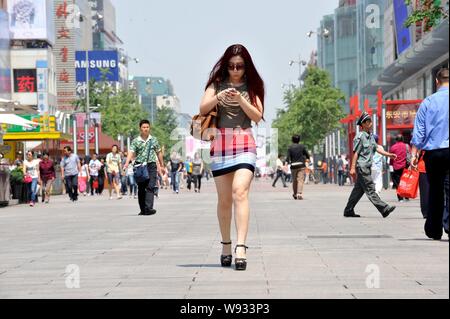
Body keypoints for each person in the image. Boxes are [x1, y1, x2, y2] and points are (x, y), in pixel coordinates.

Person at [199, 44, 264, 271]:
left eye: (240, 66)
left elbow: (257, 115)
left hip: (245, 143)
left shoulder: (253, 86)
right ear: (225, 66)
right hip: (221, 145)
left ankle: (241, 247)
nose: (235, 70)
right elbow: (203, 106)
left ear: (246, 67)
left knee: (240, 192)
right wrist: (220, 95)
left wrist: (241, 99)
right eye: (231, 66)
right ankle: (226, 245)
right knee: (224, 200)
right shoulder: (216, 84)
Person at [411, 68, 449, 240]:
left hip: (433, 153)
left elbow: (419, 131)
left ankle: (434, 229)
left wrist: (414, 153)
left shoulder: (428, 102)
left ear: (436, 81)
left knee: (435, 190)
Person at [343, 112, 397, 218]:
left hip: (367, 167)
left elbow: (376, 148)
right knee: (370, 188)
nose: (370, 123)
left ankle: (348, 210)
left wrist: (389, 154)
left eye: (370, 121)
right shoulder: (360, 136)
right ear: (362, 124)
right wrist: (352, 167)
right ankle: (384, 208)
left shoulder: (370, 136)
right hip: (362, 167)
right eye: (368, 122)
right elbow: (356, 153)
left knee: (358, 191)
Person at [123, 119, 165, 216]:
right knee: (141, 188)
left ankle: (149, 208)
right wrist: (126, 163)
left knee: (150, 186)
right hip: (139, 166)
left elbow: (159, 152)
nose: (146, 129)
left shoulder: (153, 140)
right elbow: (131, 152)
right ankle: (143, 209)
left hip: (151, 165)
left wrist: (162, 165)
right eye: (144, 127)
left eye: (147, 127)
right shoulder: (136, 141)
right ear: (140, 128)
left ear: (149, 128)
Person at [286, 134, 310, 200]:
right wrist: (308, 158)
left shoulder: (290, 147)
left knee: (294, 181)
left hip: (293, 166)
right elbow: (307, 154)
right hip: (301, 165)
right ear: (299, 140)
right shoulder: (302, 146)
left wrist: (286, 163)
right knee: (300, 180)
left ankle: (295, 194)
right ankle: (299, 193)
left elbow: (288, 157)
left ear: (292, 140)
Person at [389, 135, 410, 202]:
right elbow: (409, 155)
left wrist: (391, 164)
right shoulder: (406, 146)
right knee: (405, 181)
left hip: (396, 167)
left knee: (398, 182)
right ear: (403, 139)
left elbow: (391, 158)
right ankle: (406, 196)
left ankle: (400, 198)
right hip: (405, 166)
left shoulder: (393, 147)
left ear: (396, 140)